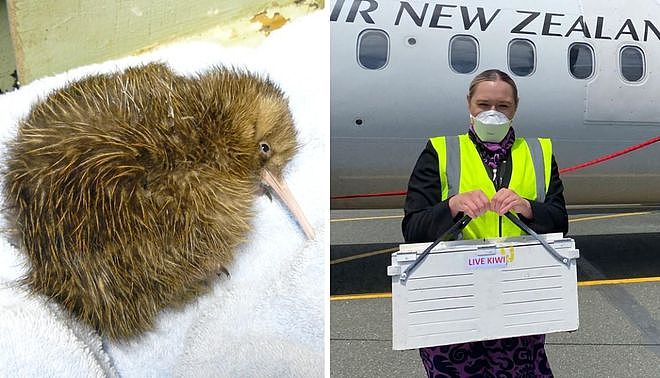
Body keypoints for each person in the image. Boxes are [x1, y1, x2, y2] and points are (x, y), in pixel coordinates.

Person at [401, 69, 568, 377]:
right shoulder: (439, 151)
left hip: (517, 300)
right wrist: (451, 206)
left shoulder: (540, 152)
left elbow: (560, 220)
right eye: (484, 104)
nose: (493, 113)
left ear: (515, 108)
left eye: (503, 106)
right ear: (469, 105)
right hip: (455, 300)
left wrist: (528, 208)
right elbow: (413, 228)